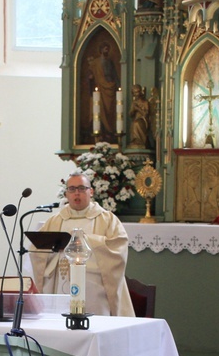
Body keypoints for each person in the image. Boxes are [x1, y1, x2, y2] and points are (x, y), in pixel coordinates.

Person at [29, 171, 134, 317]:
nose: (76, 193)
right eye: (72, 189)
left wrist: (83, 240)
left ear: (91, 192)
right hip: (61, 282)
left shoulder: (107, 219)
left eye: (81, 188)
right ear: (66, 194)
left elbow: (118, 247)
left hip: (94, 286)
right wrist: (55, 248)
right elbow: (36, 250)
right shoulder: (55, 221)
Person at [129, 84, 150, 149]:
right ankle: (135, 140)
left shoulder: (145, 102)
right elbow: (130, 114)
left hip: (143, 120)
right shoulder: (134, 102)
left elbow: (146, 114)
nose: (137, 94)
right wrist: (133, 110)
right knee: (134, 124)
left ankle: (140, 141)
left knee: (136, 123)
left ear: (140, 92)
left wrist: (138, 108)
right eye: (135, 92)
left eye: (138, 92)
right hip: (136, 119)